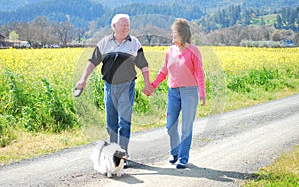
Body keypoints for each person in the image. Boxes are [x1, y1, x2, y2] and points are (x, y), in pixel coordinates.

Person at [76, 14, 152, 163]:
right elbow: (92, 62)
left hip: (127, 86)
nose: (126, 28)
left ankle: (123, 155)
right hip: (109, 86)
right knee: (111, 123)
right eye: (123, 25)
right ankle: (114, 154)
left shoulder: (134, 43)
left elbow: (143, 64)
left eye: (128, 25)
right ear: (114, 26)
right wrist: (83, 79)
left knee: (124, 121)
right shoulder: (104, 43)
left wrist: (148, 83)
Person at [144, 18, 206, 169]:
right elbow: (163, 71)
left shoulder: (193, 51)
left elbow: (199, 73)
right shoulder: (170, 51)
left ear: (182, 34)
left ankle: (183, 158)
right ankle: (175, 152)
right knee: (170, 125)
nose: (171, 35)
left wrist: (202, 93)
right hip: (173, 92)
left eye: (174, 32)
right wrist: (153, 86)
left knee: (186, 127)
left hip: (189, 92)